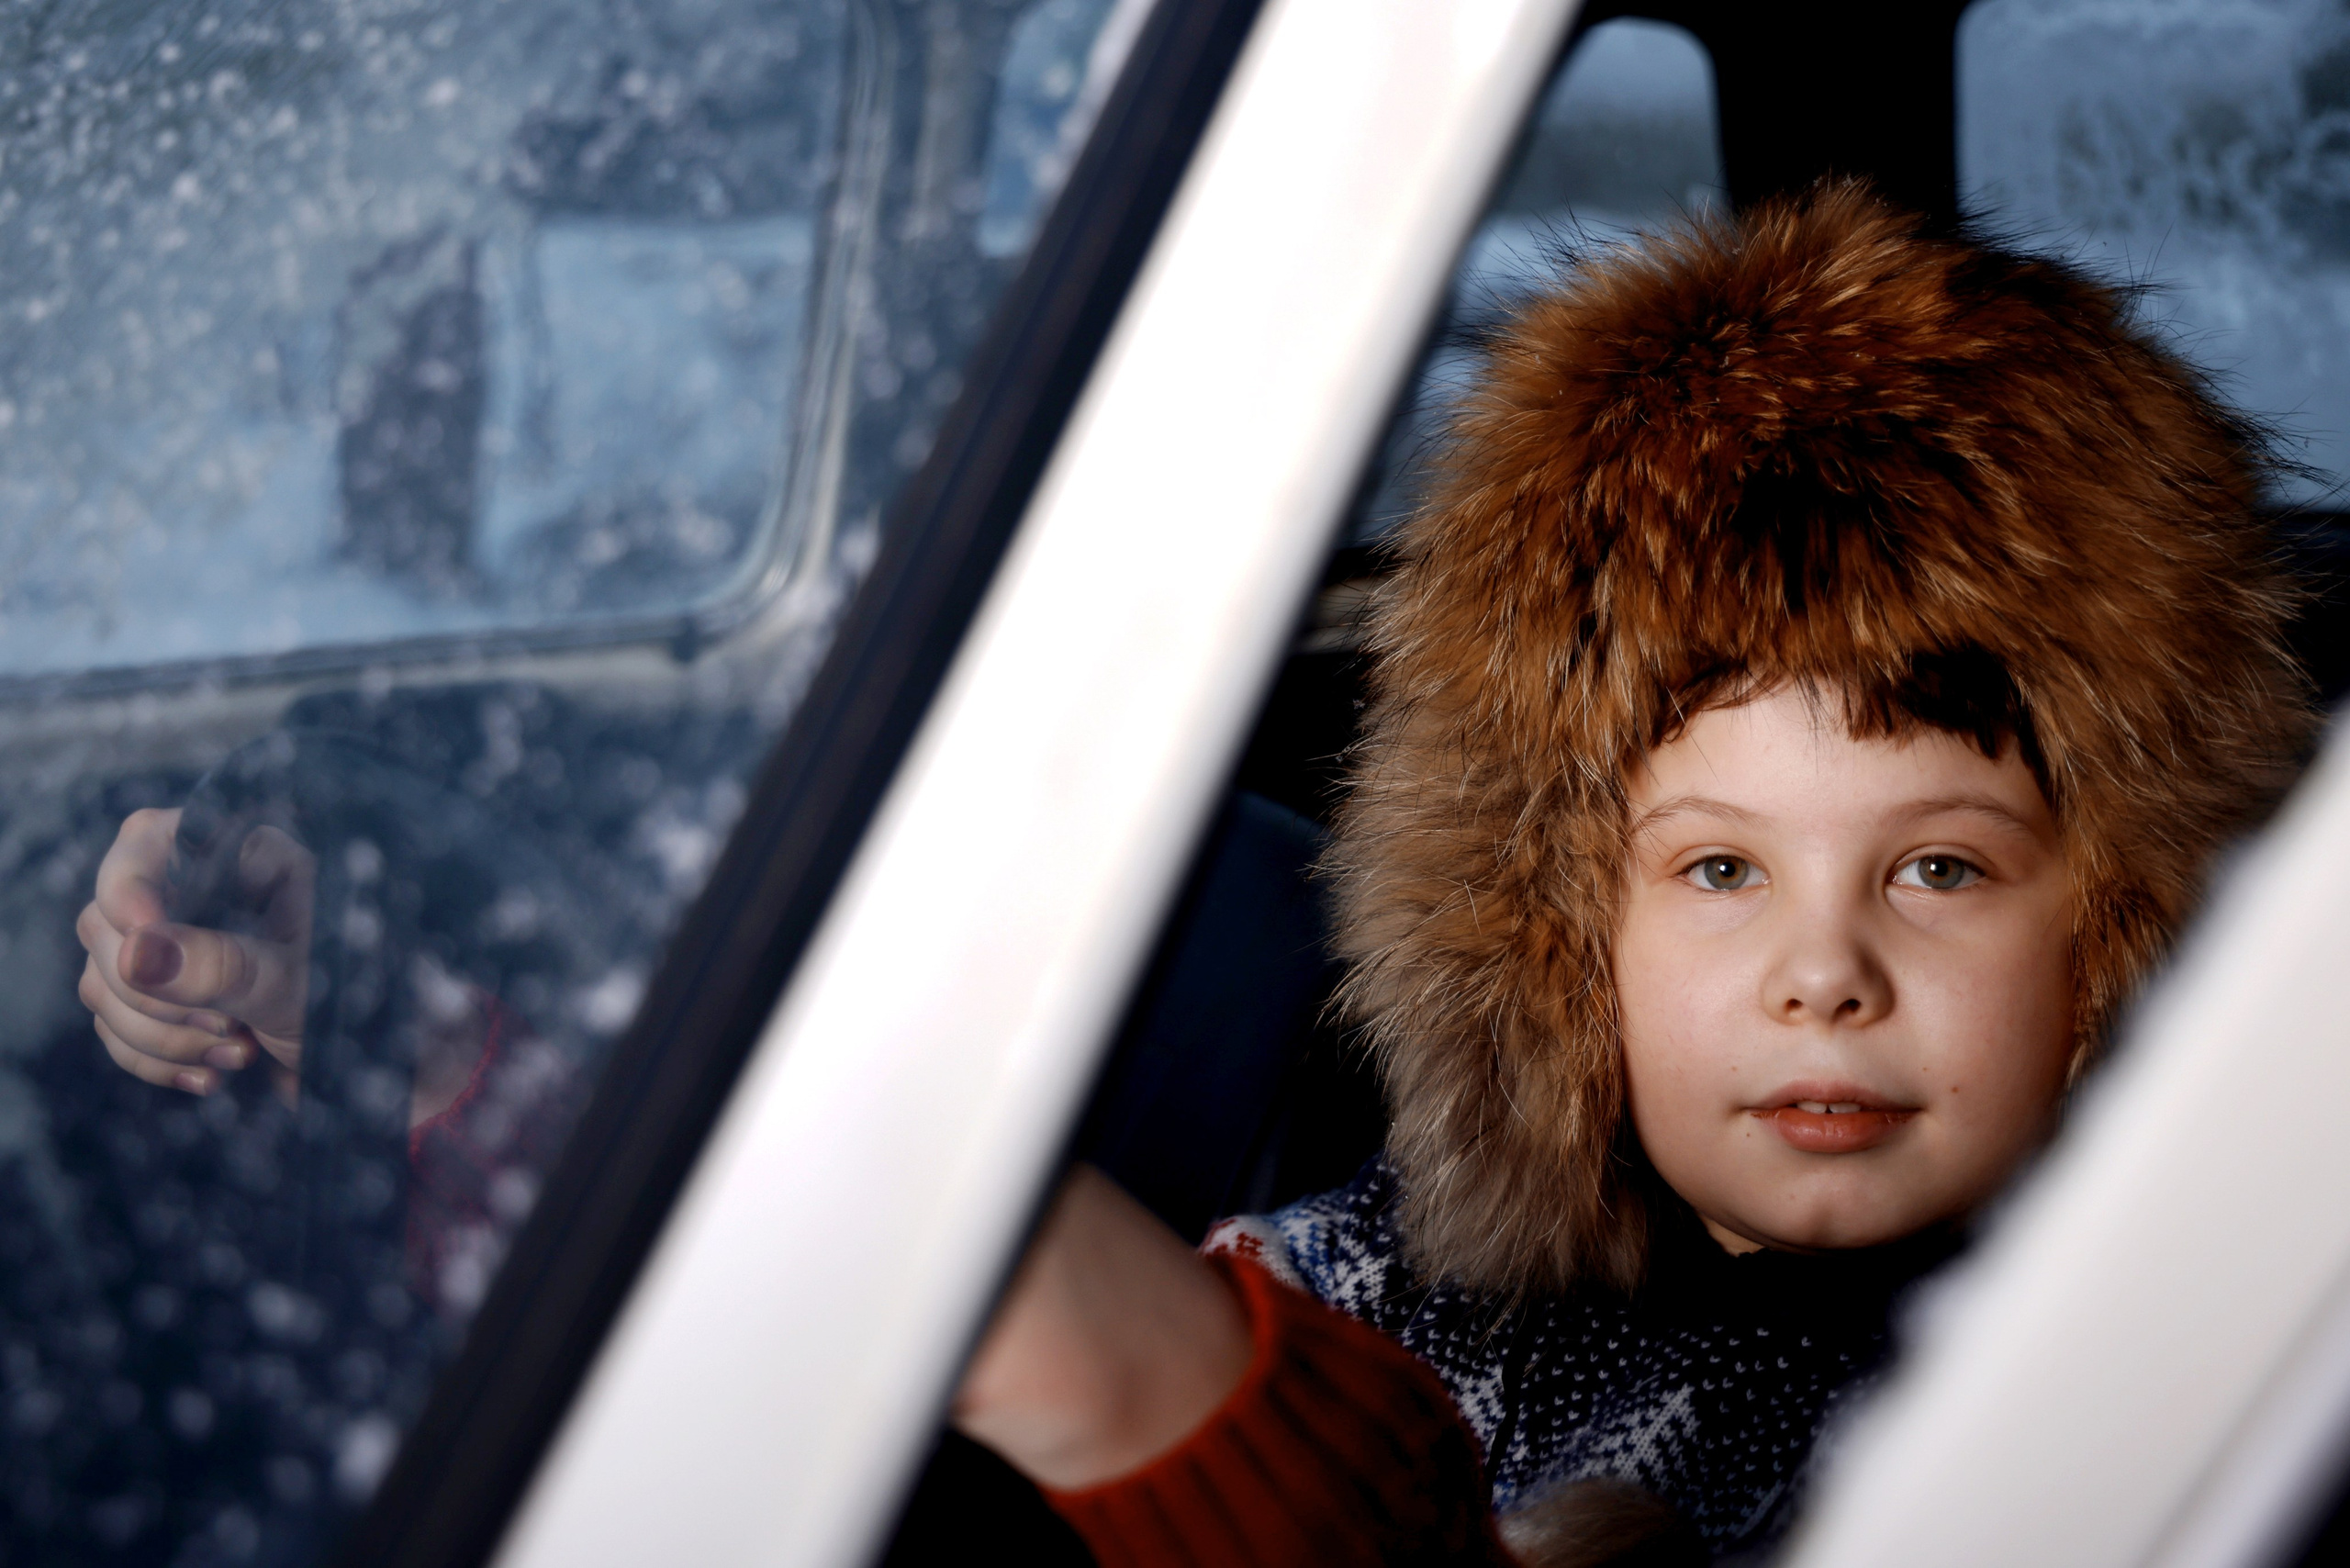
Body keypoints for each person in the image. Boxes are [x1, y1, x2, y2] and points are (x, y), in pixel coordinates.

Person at [951, 183, 2315, 1565]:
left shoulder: (2146, 1406)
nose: (1823, 977)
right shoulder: (1388, 1289)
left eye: (1939, 870)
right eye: (1721, 869)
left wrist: (1181, 1410)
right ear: (1551, 941)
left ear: (2121, 929)